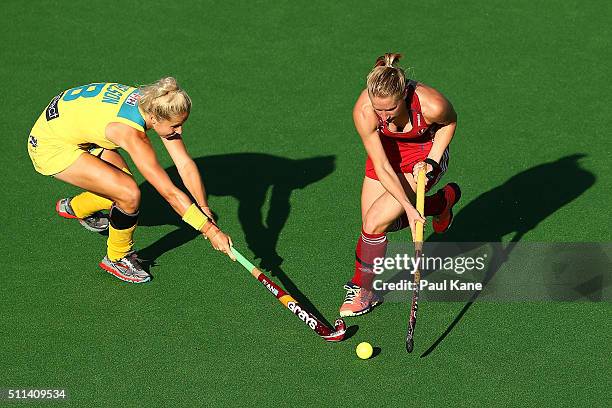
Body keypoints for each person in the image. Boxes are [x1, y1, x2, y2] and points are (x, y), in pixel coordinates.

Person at [27, 78, 235, 283]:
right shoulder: (130, 132)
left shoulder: (153, 102)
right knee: (128, 194)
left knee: (120, 189)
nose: (179, 131)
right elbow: (169, 192)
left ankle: (76, 208)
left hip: (74, 130)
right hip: (50, 146)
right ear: (154, 118)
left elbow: (184, 164)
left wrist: (203, 207)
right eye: (176, 126)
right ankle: (116, 257)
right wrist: (210, 230)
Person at [340, 54, 461, 316]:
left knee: (374, 222)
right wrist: (408, 205)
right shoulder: (364, 111)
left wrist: (431, 161)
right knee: (377, 227)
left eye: (390, 110)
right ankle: (441, 203)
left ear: (403, 96)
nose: (382, 116)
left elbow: (449, 122)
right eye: (378, 109)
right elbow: (381, 166)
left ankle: (364, 291)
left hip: (422, 155)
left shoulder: (431, 104)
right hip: (386, 155)